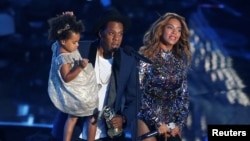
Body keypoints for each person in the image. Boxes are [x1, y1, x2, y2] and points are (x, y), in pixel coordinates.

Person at [51, 8, 138, 141]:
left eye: (120, 34)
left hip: (107, 133)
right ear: (100, 33)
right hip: (75, 130)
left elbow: (135, 98)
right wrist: (65, 27)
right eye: (111, 33)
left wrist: (124, 118)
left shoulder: (128, 60)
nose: (116, 38)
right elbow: (60, 50)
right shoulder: (82, 50)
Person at [137, 12, 192, 141]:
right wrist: (157, 122)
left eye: (178, 30)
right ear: (161, 29)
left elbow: (183, 97)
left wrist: (179, 124)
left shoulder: (179, 61)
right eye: (170, 28)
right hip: (147, 118)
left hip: (172, 124)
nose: (174, 33)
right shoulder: (146, 57)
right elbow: (140, 93)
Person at [47, 13, 99, 141]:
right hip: (76, 92)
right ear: (63, 41)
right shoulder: (63, 58)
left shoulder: (60, 45)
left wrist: (68, 19)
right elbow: (67, 77)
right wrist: (80, 67)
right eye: (74, 42)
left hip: (80, 88)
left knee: (74, 117)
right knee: (92, 115)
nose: (77, 45)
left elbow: (60, 31)